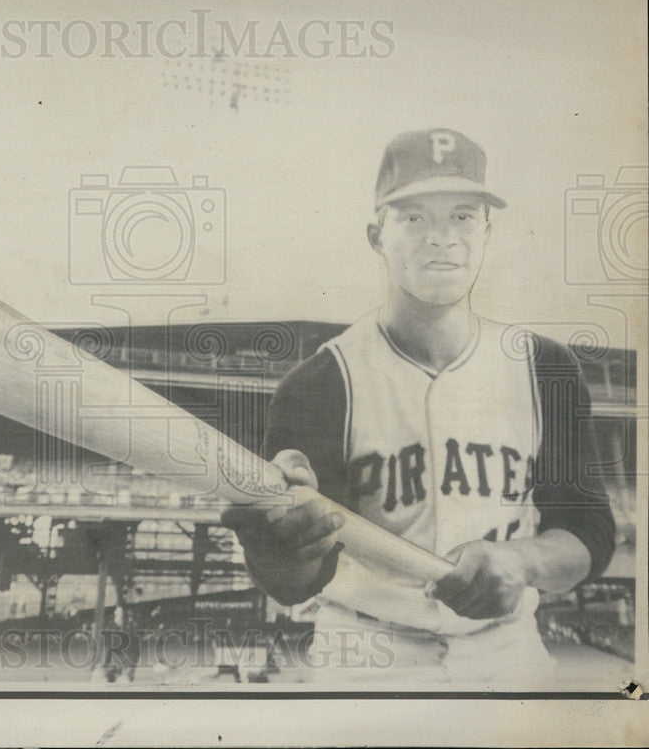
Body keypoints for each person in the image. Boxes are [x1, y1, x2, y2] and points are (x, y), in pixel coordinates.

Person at [221, 129, 615, 685]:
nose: (442, 238)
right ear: (376, 235)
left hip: (507, 654)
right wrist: (277, 547)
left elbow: (590, 531)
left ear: (487, 231)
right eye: (414, 218)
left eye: (462, 216)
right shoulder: (319, 383)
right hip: (366, 656)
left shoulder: (546, 368)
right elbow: (294, 582)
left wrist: (523, 560)